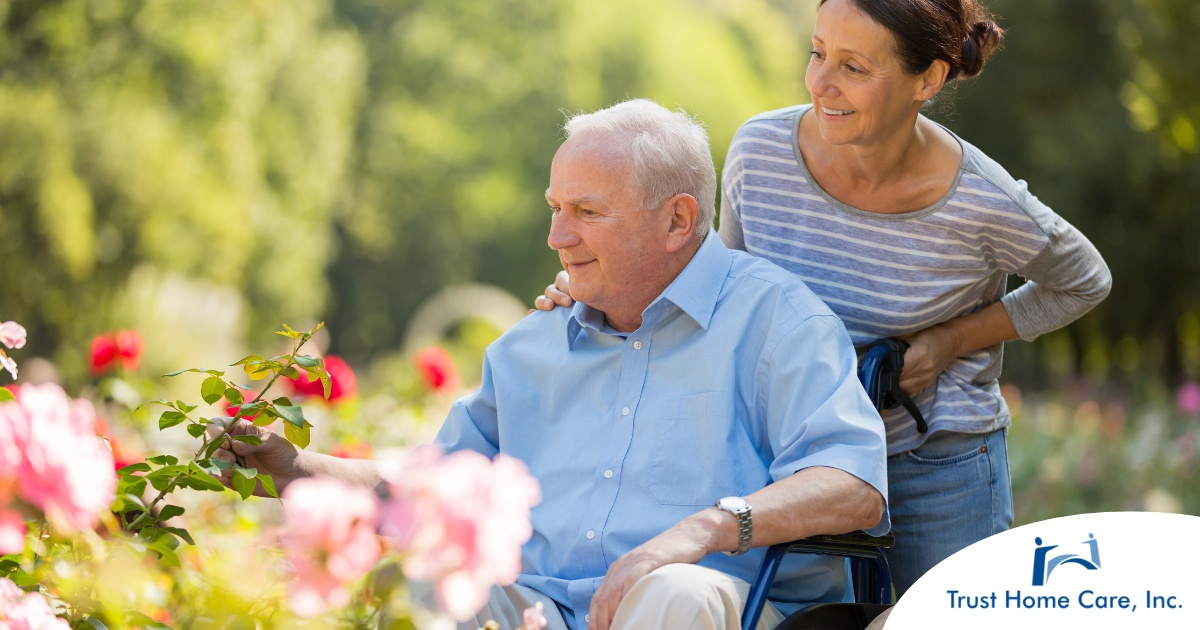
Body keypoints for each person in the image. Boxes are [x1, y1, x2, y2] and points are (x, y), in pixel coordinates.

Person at [218, 99, 889, 630]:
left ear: (678, 221)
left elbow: (852, 483)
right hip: (541, 610)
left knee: (671, 593)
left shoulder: (776, 321)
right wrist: (297, 467)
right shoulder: (529, 346)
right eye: (555, 209)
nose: (556, 236)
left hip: (717, 607)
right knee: (422, 588)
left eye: (585, 212)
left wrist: (701, 530)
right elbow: (435, 484)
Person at [536, 0, 1112, 598]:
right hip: (791, 462)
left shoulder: (981, 201)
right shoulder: (760, 154)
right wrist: (596, 288)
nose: (820, 83)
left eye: (854, 68)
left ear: (929, 78)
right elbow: (720, 289)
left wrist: (950, 342)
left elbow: (1084, 280)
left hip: (931, 458)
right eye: (817, 53)